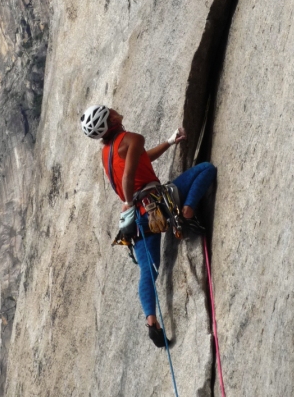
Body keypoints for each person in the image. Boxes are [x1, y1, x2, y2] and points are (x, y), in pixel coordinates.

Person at [80, 104, 217, 347]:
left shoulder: (106, 152)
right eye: (109, 111)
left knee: (148, 271)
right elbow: (128, 175)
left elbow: (141, 158)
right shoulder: (132, 138)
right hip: (157, 203)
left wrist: (169, 142)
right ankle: (188, 210)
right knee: (206, 170)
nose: (114, 109)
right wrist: (127, 201)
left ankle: (151, 320)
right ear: (110, 120)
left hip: (139, 220)